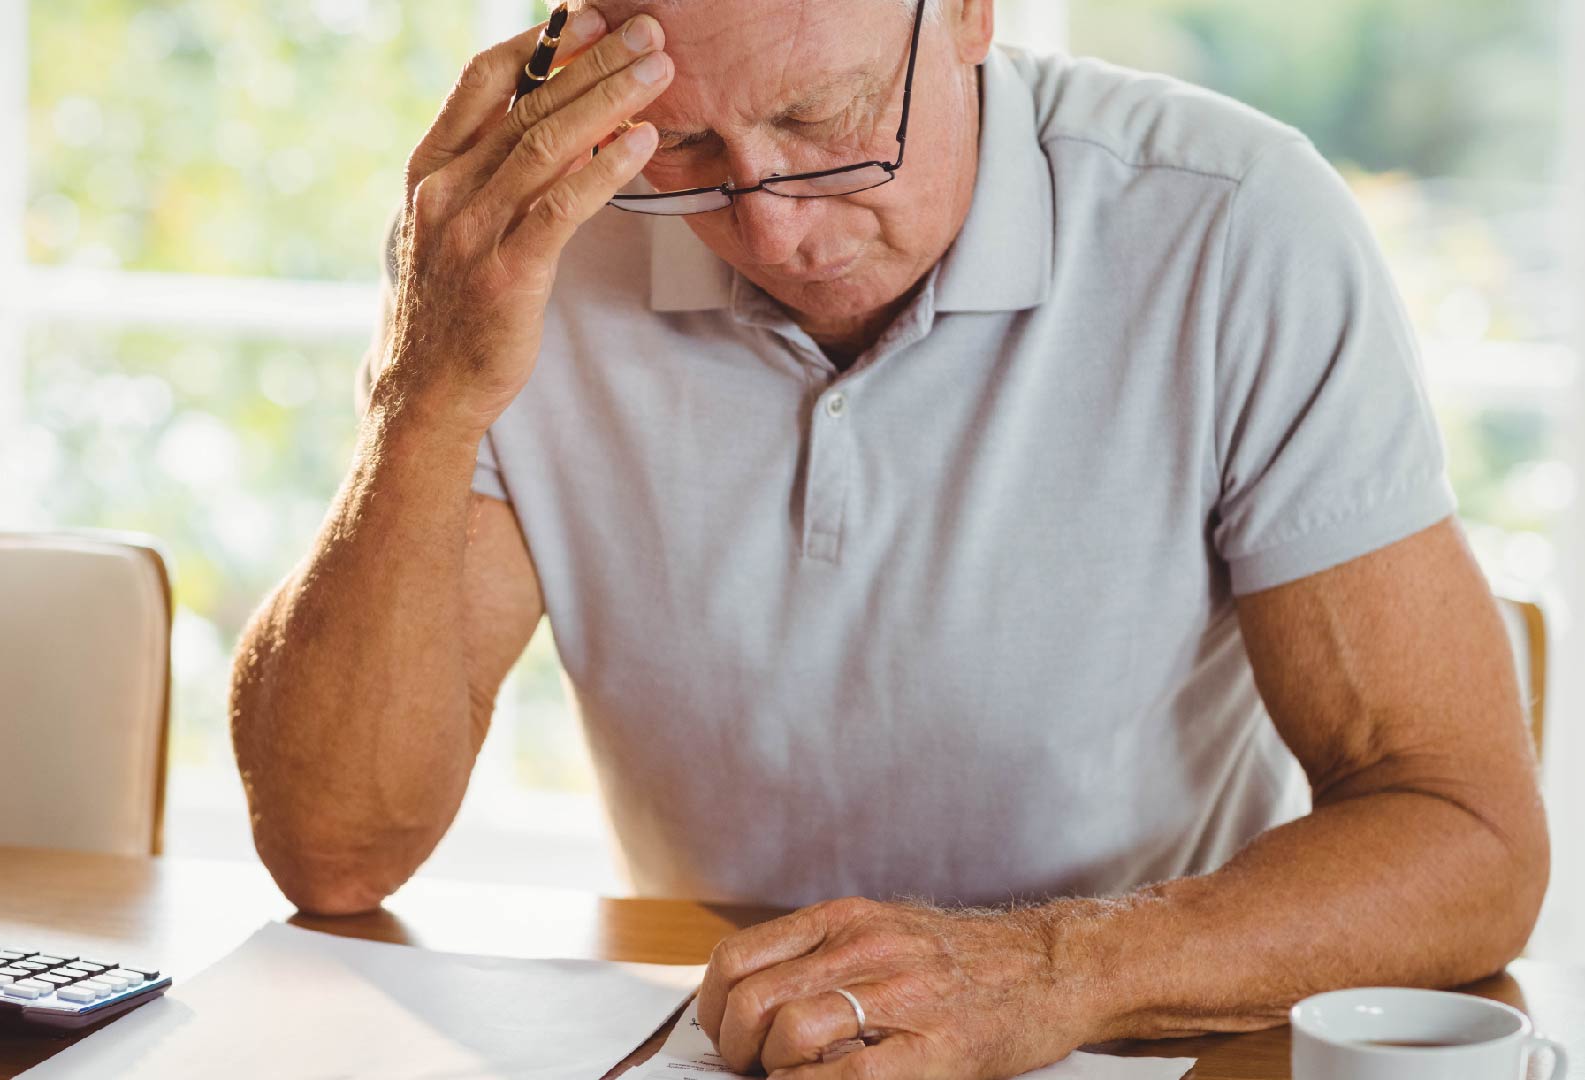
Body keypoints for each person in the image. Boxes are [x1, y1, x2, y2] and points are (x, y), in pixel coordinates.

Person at [229, 0, 1551, 1074]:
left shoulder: (1231, 225)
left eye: (827, 121)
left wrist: (1051, 976)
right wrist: (425, 394)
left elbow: (1463, 837)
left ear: (971, 16)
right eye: (682, 147)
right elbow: (338, 849)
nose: (772, 227)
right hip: (732, 1045)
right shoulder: (542, 250)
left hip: (1134, 1042)